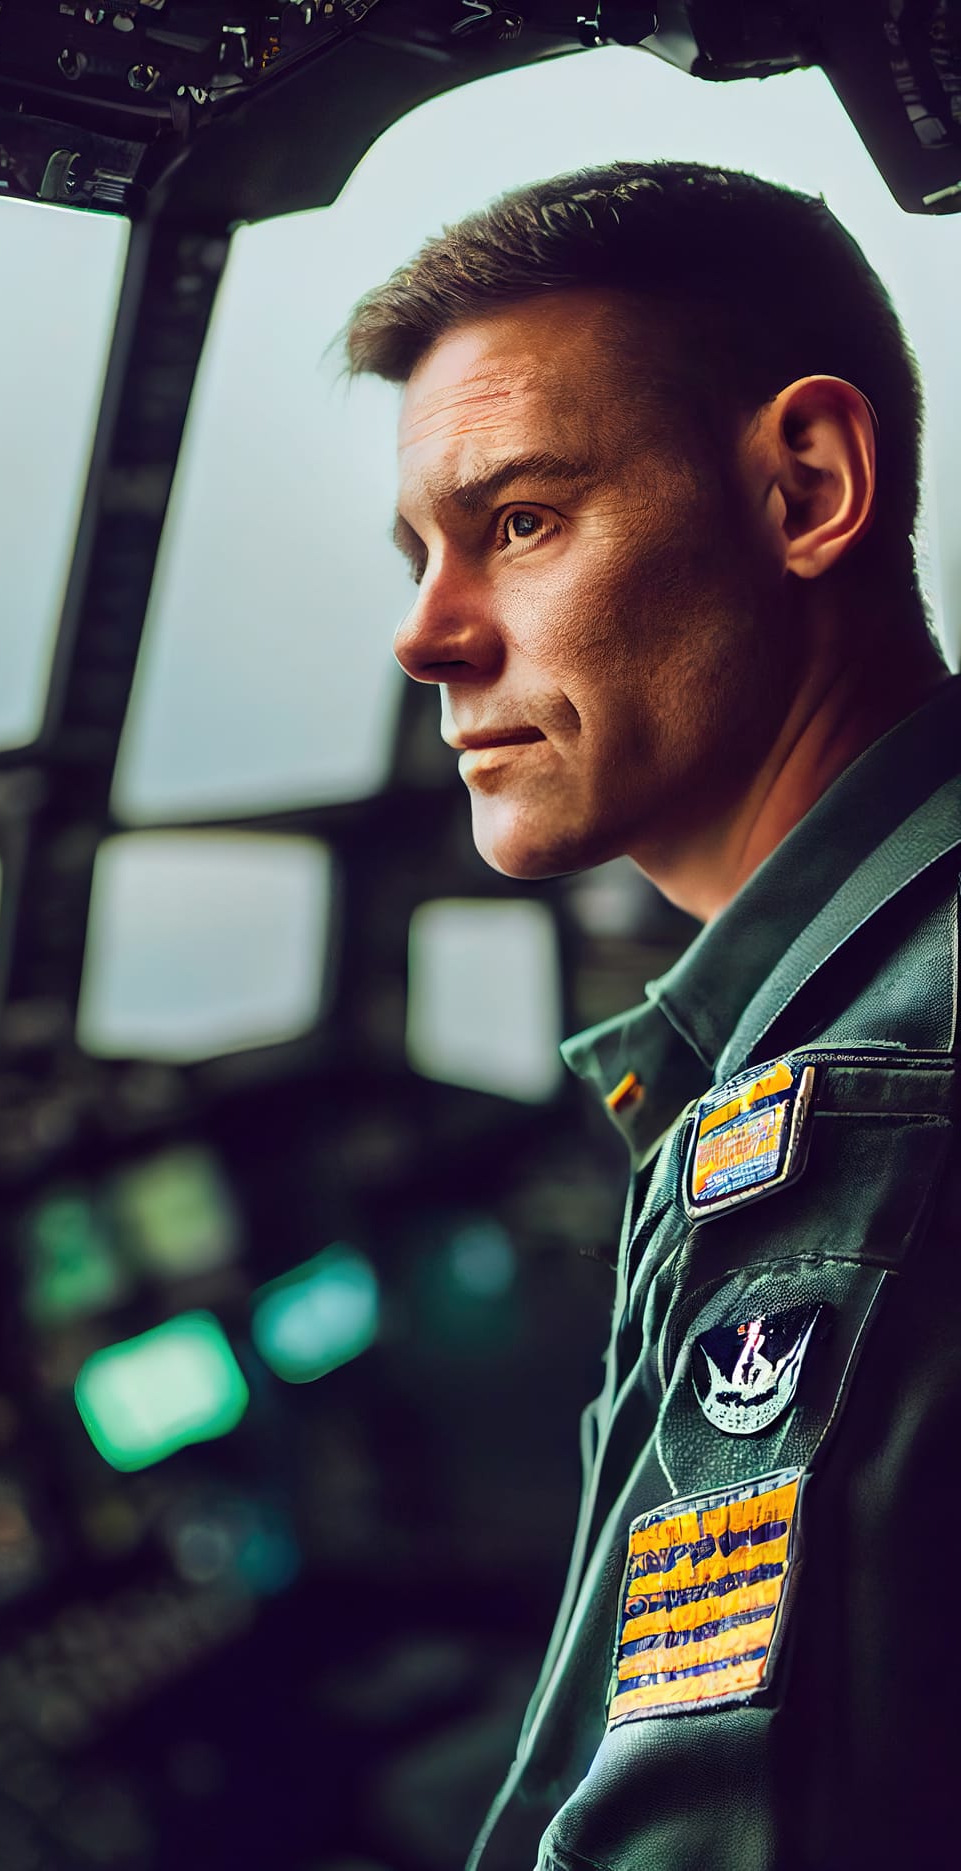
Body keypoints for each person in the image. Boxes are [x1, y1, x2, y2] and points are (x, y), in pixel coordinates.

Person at [335, 160, 961, 1869]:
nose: (426, 634)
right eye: (422, 552)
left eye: (521, 520)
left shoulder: (877, 1091)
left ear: (808, 486)